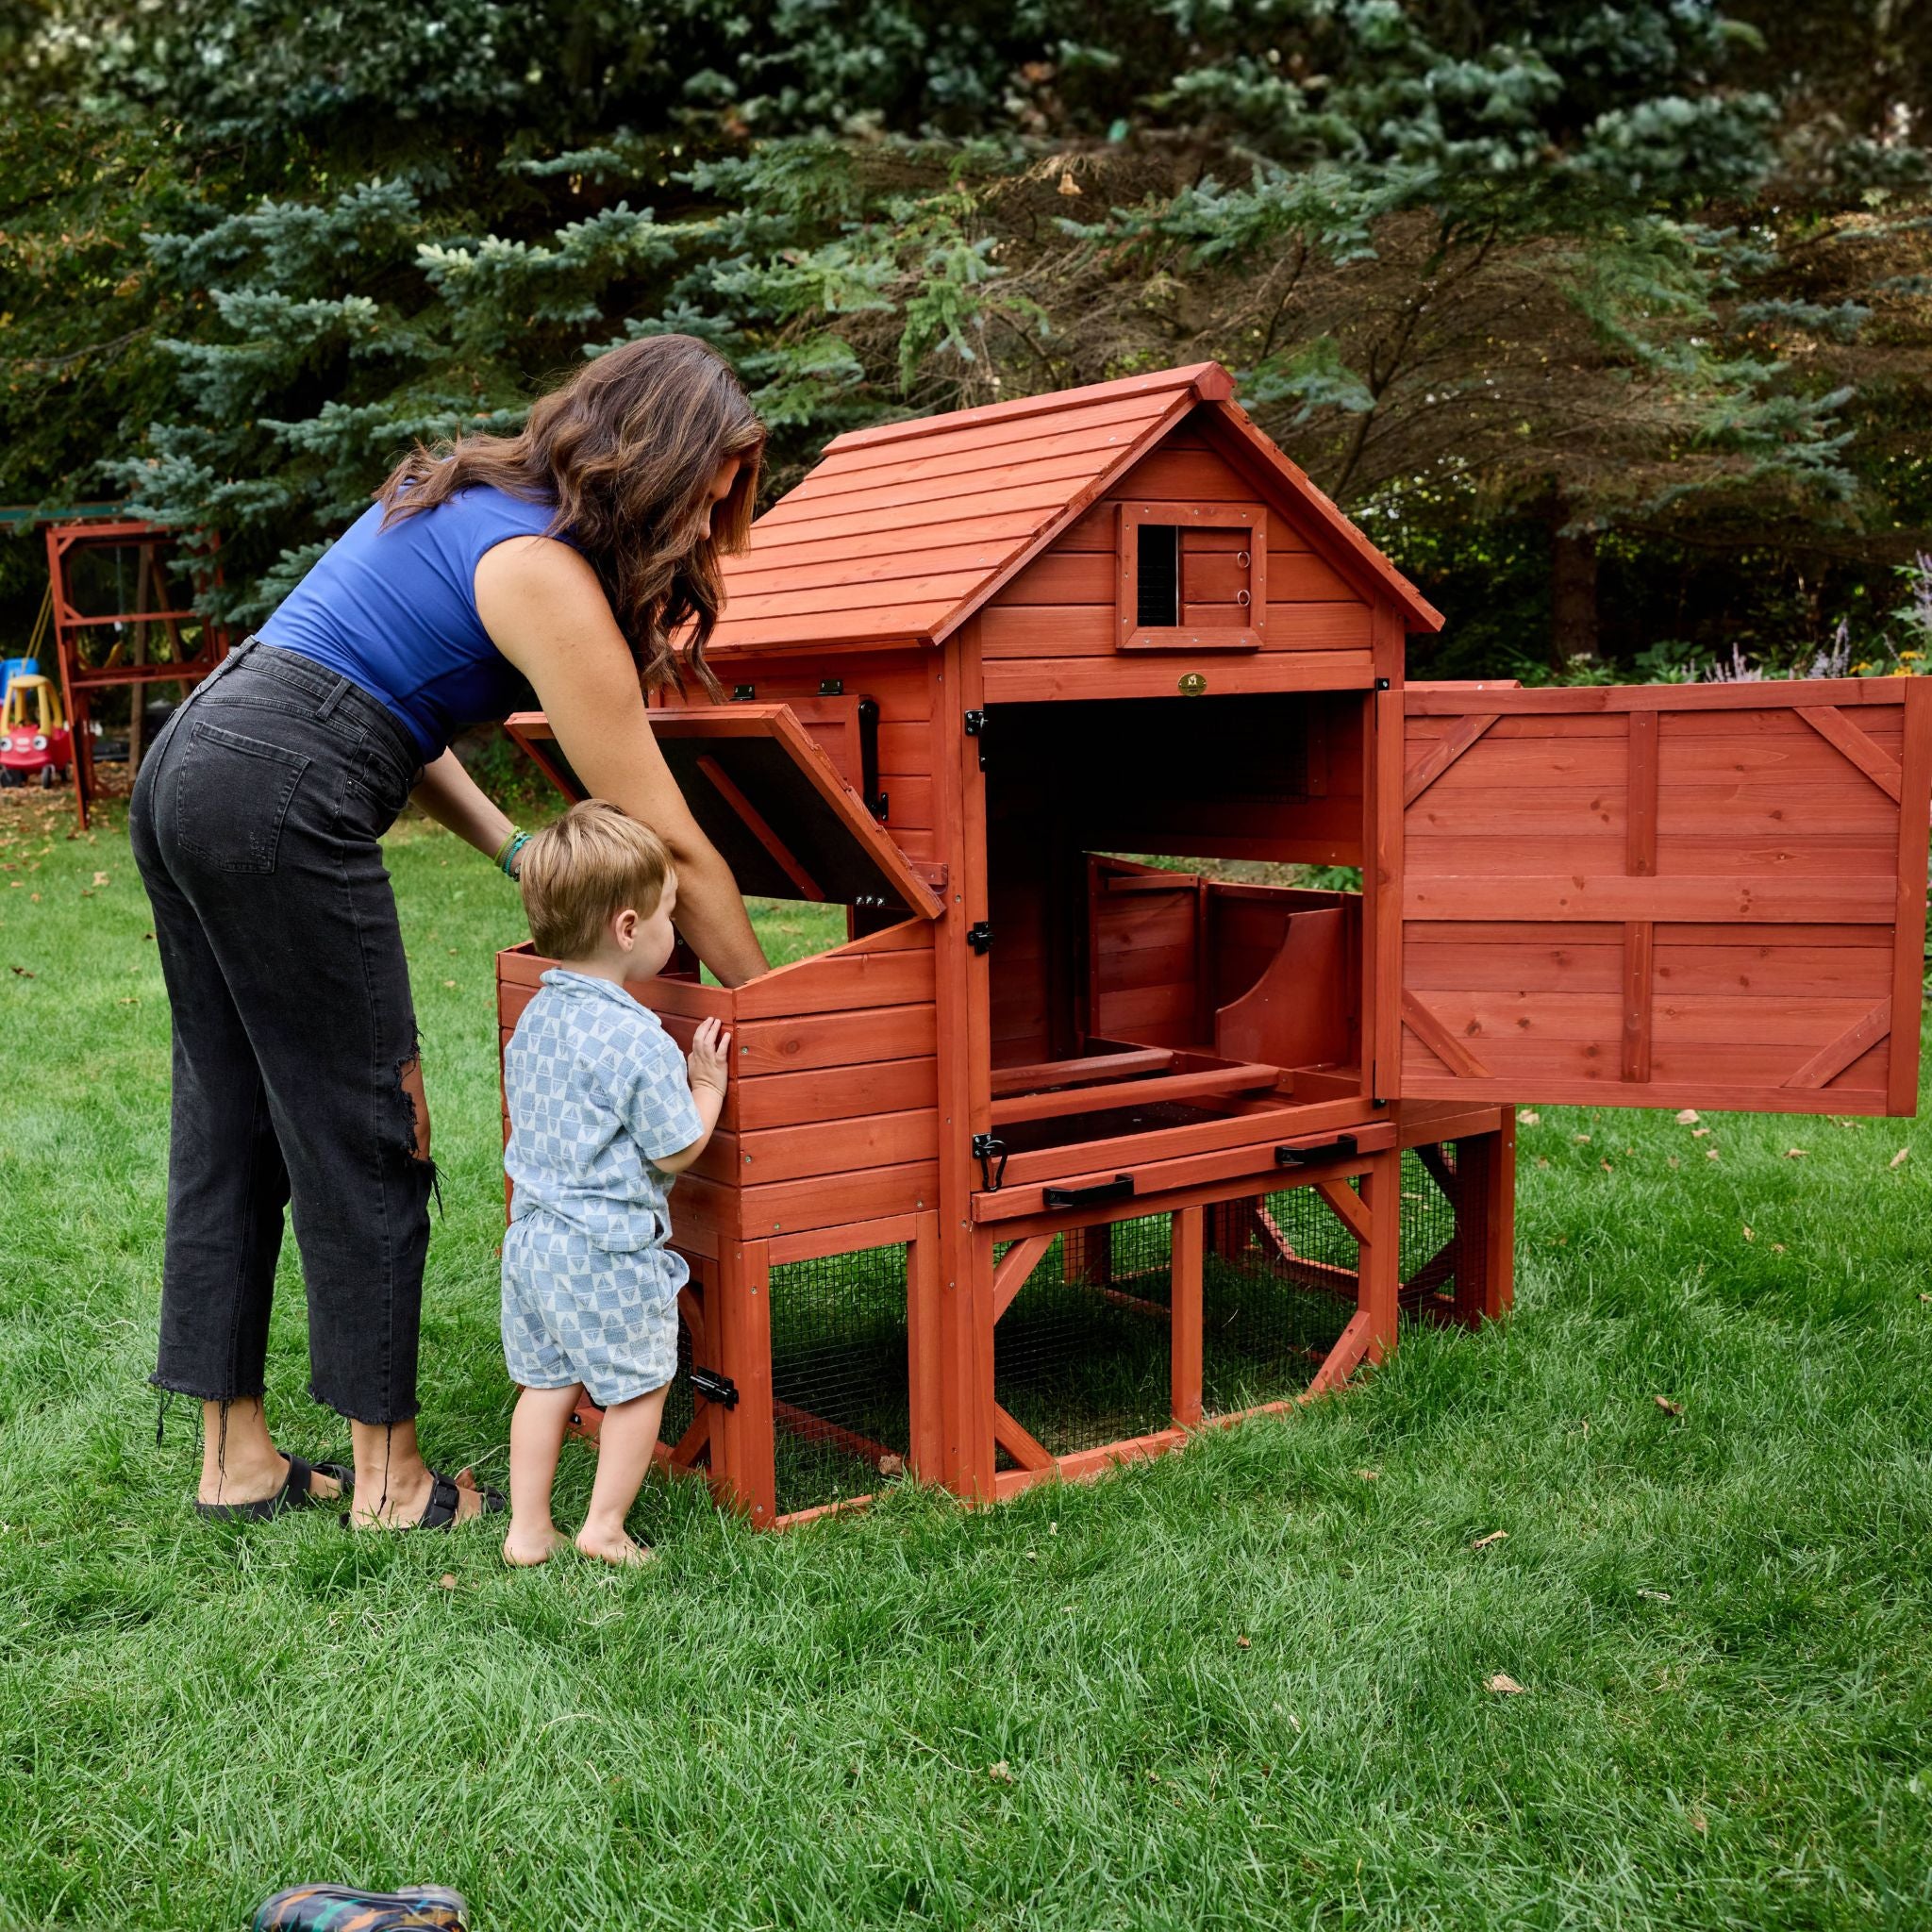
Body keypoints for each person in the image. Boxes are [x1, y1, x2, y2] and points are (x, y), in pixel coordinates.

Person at [129, 335, 771, 1529]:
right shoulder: (545, 571)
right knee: (375, 1125)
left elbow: (388, 704)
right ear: (658, 462)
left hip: (197, 757)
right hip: (278, 786)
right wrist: (766, 1001)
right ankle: (390, 1481)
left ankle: (238, 1461)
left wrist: (515, 851)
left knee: (229, 1119)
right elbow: (669, 841)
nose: (703, 532)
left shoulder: (462, 499)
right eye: (705, 499)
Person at [497, 802, 728, 1567]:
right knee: (638, 1387)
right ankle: (603, 1528)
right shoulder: (636, 1037)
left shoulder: (537, 1014)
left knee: (546, 1385)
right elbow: (675, 1152)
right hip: (606, 1249)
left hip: (532, 1242)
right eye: (669, 915)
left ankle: (528, 1531)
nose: (674, 930)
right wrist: (707, 1086)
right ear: (629, 929)